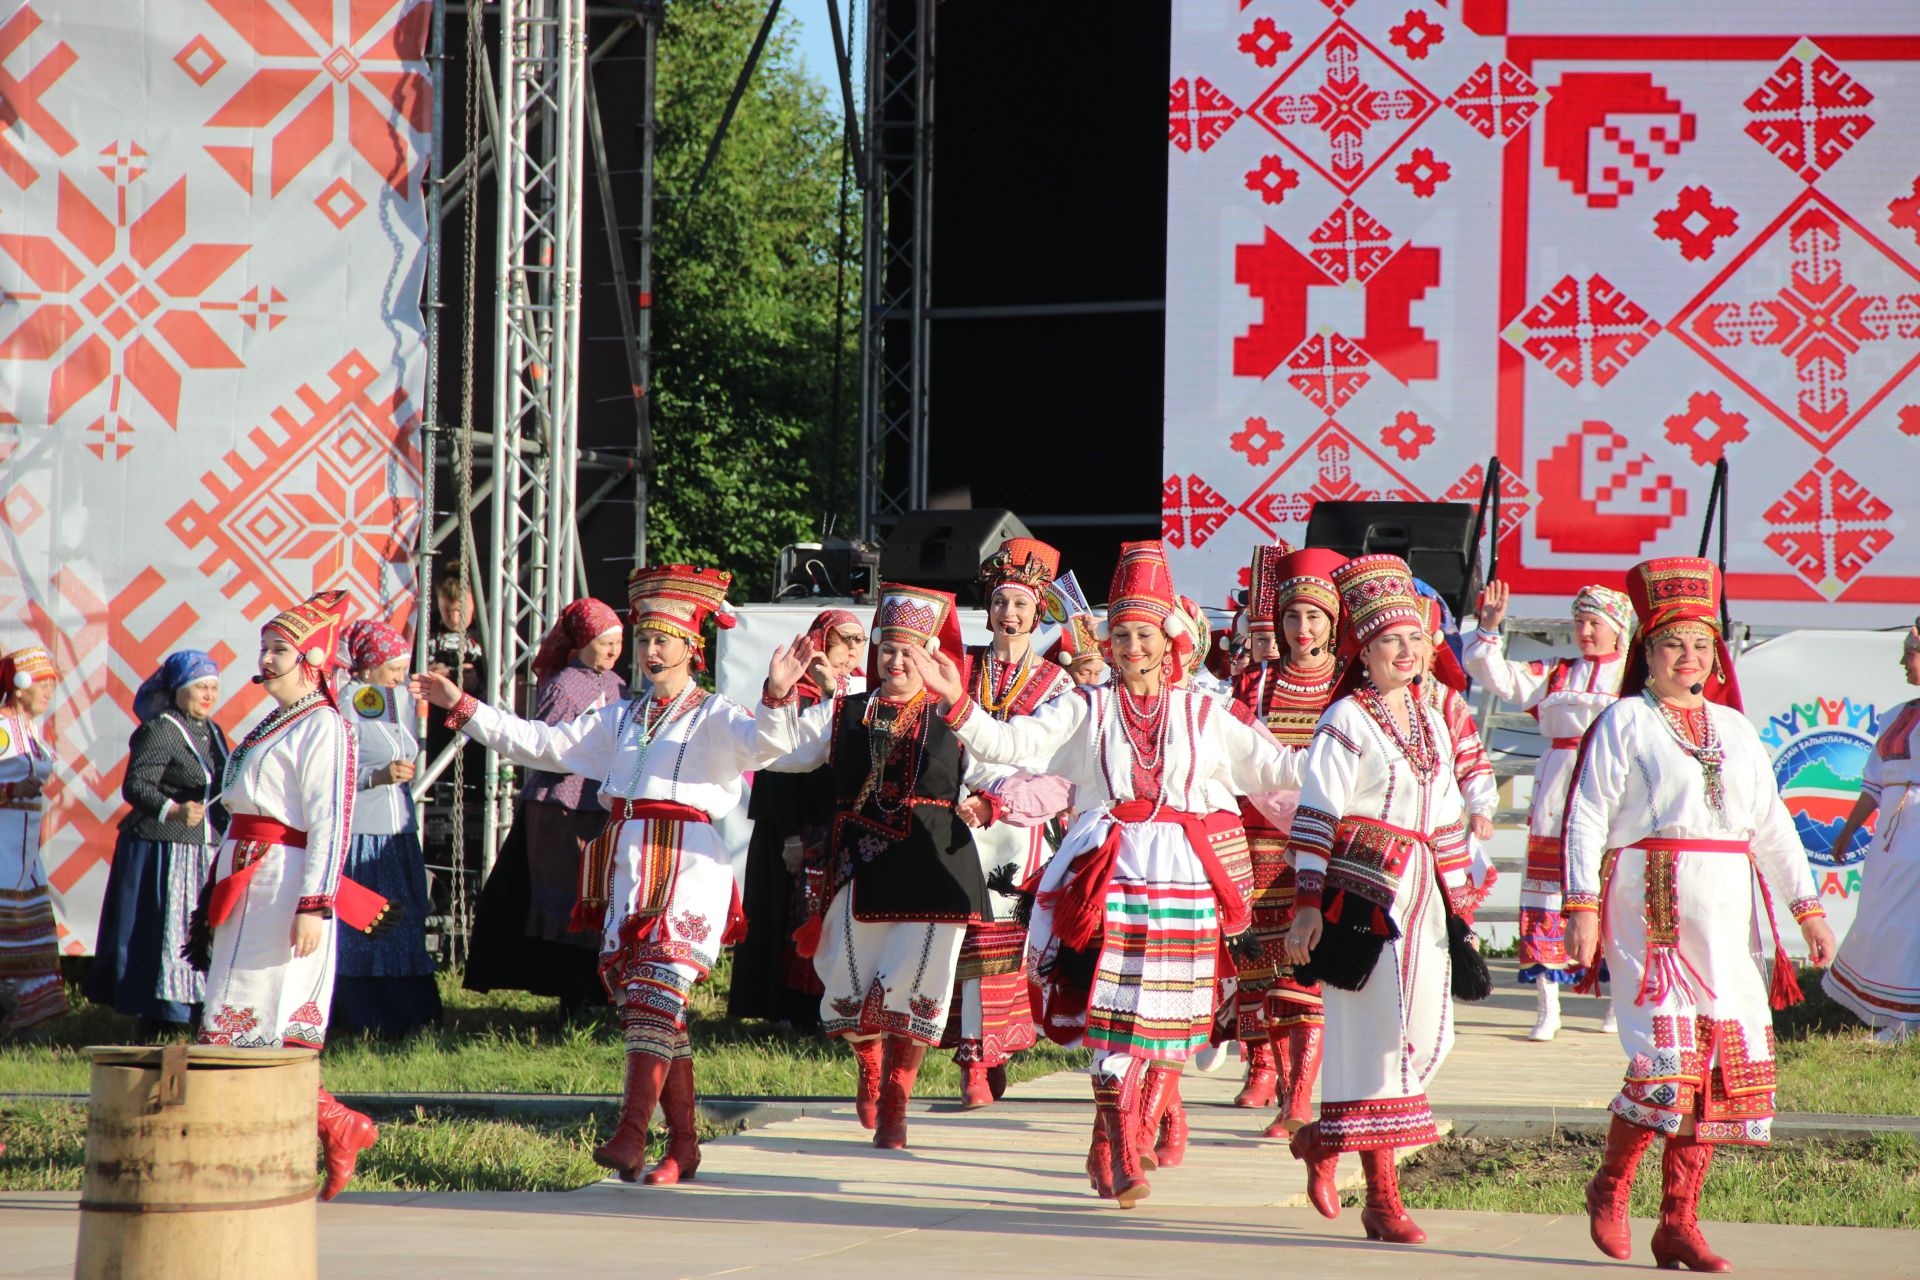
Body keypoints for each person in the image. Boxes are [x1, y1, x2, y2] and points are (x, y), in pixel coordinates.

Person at [909, 540, 1303, 1208]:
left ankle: (1122, 1132)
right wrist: (960, 707)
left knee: (1172, 1021)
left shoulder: (1208, 713)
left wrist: (1360, 759)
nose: (1131, 647)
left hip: (1185, 881)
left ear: (1168, 640)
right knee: (1117, 1017)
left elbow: (1282, 773)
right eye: (1120, 635)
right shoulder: (1086, 706)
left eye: (1143, 634)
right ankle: (1123, 1150)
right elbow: (1017, 745)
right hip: (1108, 875)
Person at [413, 565, 814, 1186]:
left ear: (691, 648)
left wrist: (778, 692)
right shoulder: (620, 719)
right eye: (644, 639)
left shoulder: (714, 715)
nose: (650, 651)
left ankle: (632, 1133)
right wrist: (461, 706)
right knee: (649, 1009)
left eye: (663, 640)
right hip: (626, 866)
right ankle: (683, 1145)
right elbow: (538, 744)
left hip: (688, 863)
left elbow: (767, 746)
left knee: (657, 996)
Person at [1564, 557, 1836, 1271]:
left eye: (1702, 647)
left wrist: (1807, 911)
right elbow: (1587, 815)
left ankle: (1679, 1220)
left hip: (1726, 904)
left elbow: (1771, 825)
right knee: (1664, 1065)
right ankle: (1611, 1186)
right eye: (1673, 644)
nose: (1689, 659)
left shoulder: (1737, 731)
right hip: (1650, 898)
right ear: (1646, 652)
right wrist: (1580, 906)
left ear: (1716, 658)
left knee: (1721, 1071)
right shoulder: (1625, 720)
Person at [763, 585, 1044, 1149]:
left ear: (931, 656)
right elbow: (780, 752)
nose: (896, 661)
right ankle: (868, 1063)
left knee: (917, 987)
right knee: (845, 982)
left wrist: (993, 803)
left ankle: (896, 1098)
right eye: (888, 648)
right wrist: (774, 693)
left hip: (935, 868)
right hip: (858, 866)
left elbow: (1010, 766)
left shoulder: (958, 717)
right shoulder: (845, 710)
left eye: (910, 651)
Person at [1282, 554, 1475, 1248]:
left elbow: (1448, 812)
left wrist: (1463, 909)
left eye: (1416, 639)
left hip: (1424, 889)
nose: (1407, 651)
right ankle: (1384, 1201)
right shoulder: (1347, 718)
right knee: (1381, 1043)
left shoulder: (1432, 719)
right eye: (1392, 640)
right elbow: (1317, 811)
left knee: (1428, 1037)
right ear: (1363, 649)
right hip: (1364, 894)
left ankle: (1324, 1139)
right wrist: (1307, 901)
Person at [193, 591, 389, 1200]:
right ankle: (333, 1126)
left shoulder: (325, 724)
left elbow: (331, 819)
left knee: (243, 1027)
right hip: (249, 878)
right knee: (245, 1027)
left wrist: (315, 905)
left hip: (282, 886)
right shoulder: (274, 722)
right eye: (265, 649)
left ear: (311, 659)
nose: (267, 660)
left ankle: (248, 1158)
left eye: (280, 650)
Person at [1466, 579, 1632, 1040]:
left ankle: (1617, 1001)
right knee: (1546, 896)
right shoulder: (1558, 673)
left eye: (1594, 622)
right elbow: (1495, 673)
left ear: (1618, 629)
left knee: (1611, 896)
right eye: (1579, 621)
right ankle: (1548, 1005)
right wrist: (1489, 628)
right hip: (1557, 789)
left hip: (1612, 791)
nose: (1584, 631)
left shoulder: (1633, 678)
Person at [945, 538, 1073, 1108]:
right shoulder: (961, 670)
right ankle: (975, 1059)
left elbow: (1056, 771)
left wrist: (999, 803)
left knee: (1005, 944)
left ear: (1038, 611)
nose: (1010, 614)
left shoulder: (1060, 685)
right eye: (1001, 602)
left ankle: (988, 1053)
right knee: (959, 939)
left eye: (1021, 604)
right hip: (956, 816)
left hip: (1019, 827)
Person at [1227, 542, 1345, 1136]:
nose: (1302, 629)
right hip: (1254, 846)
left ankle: (1298, 1098)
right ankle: (1264, 1066)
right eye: (1293, 616)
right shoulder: (1254, 683)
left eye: (1314, 617)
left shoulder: (1347, 686)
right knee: (1259, 969)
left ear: (1333, 622)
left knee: (1305, 972)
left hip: (1317, 847)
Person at [466, 599, 629, 1014]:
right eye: (604, 642)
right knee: (564, 898)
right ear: (582, 642)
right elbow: (547, 746)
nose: (613, 651)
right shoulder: (562, 686)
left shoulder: (618, 686)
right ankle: (568, 995)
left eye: (618, 643)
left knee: (599, 893)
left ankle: (595, 990)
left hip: (600, 806)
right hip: (561, 805)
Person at [731, 608, 865, 1027]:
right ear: (821, 641)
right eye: (844, 640)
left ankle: (839, 1010)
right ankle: (794, 1011)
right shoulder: (791, 691)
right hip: (796, 826)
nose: (851, 651)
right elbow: (776, 771)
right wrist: (790, 836)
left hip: (841, 826)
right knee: (794, 914)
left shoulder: (861, 693)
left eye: (859, 642)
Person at [88, 651, 230, 1036]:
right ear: (179, 689)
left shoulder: (211, 731)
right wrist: (173, 809)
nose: (209, 695)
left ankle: (193, 1011)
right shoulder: (162, 729)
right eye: (201, 686)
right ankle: (158, 1016)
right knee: (162, 933)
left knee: (195, 930)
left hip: (199, 847)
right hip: (161, 848)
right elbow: (135, 785)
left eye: (214, 688)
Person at [330, 620, 441, 1038]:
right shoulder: (342, 705)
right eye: (393, 667)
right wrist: (375, 778)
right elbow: (332, 774)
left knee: (399, 922)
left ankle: (407, 1012)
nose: (400, 674)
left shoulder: (385, 700)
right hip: (364, 833)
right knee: (367, 924)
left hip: (396, 831)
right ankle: (362, 1013)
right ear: (369, 666)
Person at [1823, 622, 1920, 1044]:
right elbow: (1874, 784)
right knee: (1883, 918)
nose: (1903, 661)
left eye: (1910, 653)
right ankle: (1889, 1013)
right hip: (1891, 835)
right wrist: (1848, 830)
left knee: (1909, 921)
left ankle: (1906, 1021)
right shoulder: (1897, 714)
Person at [0, 646, 68, 1037]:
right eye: (41, 683)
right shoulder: (3, 728)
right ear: (19, 685)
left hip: (25, 860)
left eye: (52, 685)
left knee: (30, 942)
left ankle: (23, 1025)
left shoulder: (30, 731)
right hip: (3, 856)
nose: (48, 691)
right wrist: (9, 788)